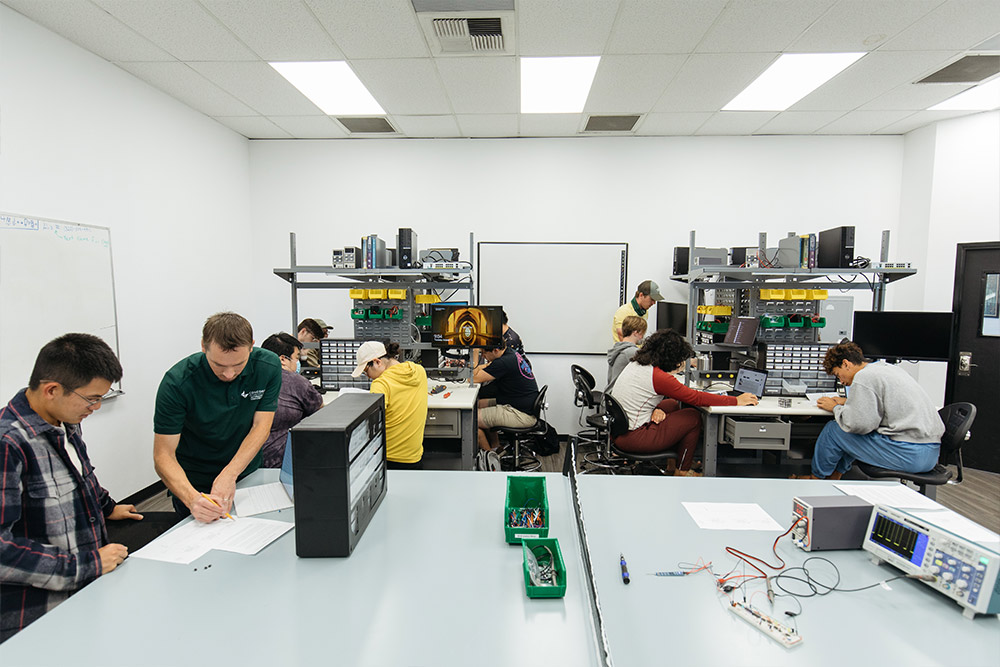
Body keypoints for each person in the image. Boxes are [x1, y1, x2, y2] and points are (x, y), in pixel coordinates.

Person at [1, 334, 142, 642]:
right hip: (40, 610)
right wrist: (88, 565)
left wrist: (106, 506)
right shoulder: (8, 444)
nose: (96, 407)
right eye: (92, 398)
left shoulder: (64, 419)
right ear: (52, 390)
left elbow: (78, 475)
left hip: (89, 585)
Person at [153, 312, 281, 522]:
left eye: (238, 364)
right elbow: (163, 455)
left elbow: (261, 426)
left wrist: (230, 474)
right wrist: (191, 498)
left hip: (247, 474)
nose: (229, 374)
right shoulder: (177, 383)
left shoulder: (268, 366)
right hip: (194, 484)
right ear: (203, 346)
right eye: (219, 365)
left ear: (252, 346)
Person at [611, 329, 758, 476]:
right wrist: (735, 400)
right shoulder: (658, 377)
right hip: (635, 438)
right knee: (692, 417)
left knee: (672, 405)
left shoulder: (638, 364)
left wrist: (655, 408)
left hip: (620, 433)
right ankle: (682, 471)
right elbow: (695, 398)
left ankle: (672, 464)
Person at [806, 342, 944, 480]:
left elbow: (859, 425)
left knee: (834, 430)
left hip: (908, 454)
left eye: (838, 374)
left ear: (846, 364)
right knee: (853, 433)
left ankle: (816, 478)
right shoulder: (887, 369)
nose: (841, 381)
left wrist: (835, 408)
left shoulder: (863, 377)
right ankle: (835, 475)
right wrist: (849, 402)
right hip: (930, 455)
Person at [352, 340, 428, 469]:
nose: (368, 377)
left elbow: (373, 424)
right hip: (414, 458)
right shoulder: (419, 371)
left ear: (377, 362)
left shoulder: (380, 384)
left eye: (366, 371)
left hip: (389, 459)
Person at [259, 333, 323, 468]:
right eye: (296, 358)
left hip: (247, 462)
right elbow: (321, 412)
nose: (297, 363)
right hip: (281, 462)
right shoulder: (296, 382)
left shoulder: (251, 378)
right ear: (283, 359)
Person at [473, 339, 539, 457]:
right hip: (522, 404)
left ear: (495, 350)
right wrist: (483, 366)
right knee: (478, 404)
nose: (483, 356)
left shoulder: (504, 362)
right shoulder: (510, 353)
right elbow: (486, 366)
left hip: (520, 414)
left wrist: (474, 353)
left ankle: (491, 462)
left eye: (484, 353)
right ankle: (496, 447)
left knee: (471, 419)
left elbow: (472, 378)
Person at [607, 315, 647, 390]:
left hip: (610, 396)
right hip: (619, 396)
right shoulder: (632, 352)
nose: (642, 337)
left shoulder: (618, 347)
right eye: (642, 334)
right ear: (635, 333)